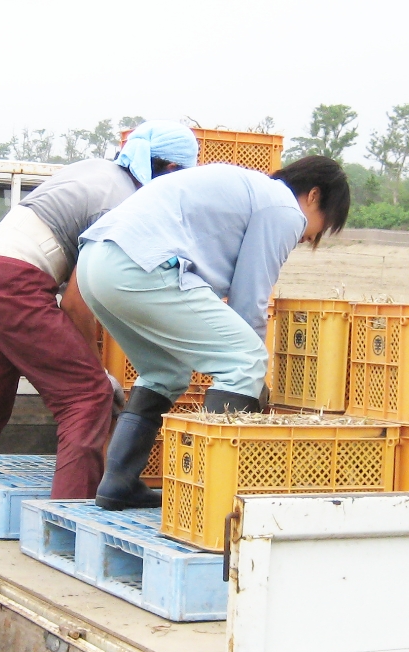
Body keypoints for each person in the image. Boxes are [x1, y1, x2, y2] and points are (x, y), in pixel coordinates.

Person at [0, 121, 200, 526]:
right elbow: (77, 303)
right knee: (86, 397)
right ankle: (68, 524)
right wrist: (98, 374)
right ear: (172, 171)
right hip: (13, 283)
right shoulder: (125, 202)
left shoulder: (96, 171)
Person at [75, 155, 351, 511]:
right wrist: (253, 377)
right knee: (244, 360)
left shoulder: (248, 187)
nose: (309, 236)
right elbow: (249, 299)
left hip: (96, 264)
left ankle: (118, 484)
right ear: (313, 196)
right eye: (321, 226)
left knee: (165, 372)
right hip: (138, 265)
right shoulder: (283, 207)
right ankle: (214, 501)